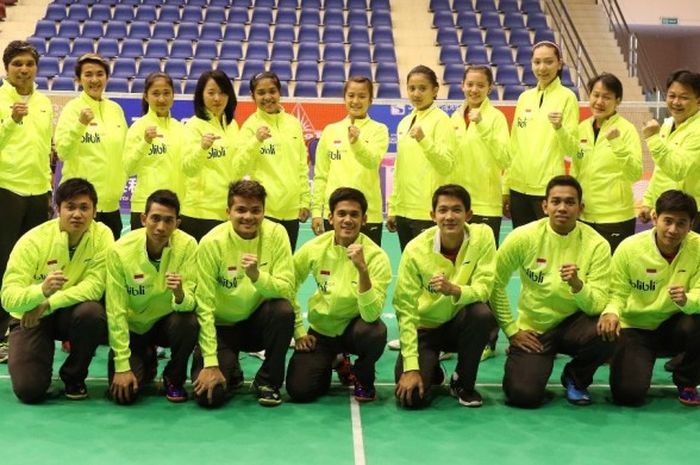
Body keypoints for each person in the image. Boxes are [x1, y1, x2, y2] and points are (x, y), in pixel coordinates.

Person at [491, 175, 613, 408]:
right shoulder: (522, 237)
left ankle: (576, 378)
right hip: (535, 330)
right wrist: (511, 329)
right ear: (545, 206)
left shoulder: (597, 245)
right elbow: (494, 283)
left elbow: (597, 303)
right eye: (556, 201)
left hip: (576, 325)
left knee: (608, 329)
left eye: (570, 202)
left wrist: (578, 286)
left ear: (581, 208)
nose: (562, 208)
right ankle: (529, 367)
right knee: (522, 395)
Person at [1, 178, 113, 403]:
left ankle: (74, 376)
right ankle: (39, 363)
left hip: (68, 312)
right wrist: (40, 292)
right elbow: (8, 298)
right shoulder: (33, 241)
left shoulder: (102, 236)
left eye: (84, 207)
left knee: (92, 313)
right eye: (70, 207)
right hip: (31, 315)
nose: (77, 214)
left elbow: (95, 286)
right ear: (56, 209)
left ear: (94, 211)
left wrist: (50, 302)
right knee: (29, 390)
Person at [191, 180, 295, 407]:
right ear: (228, 212)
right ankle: (230, 366)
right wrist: (210, 363)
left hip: (256, 324)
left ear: (264, 212)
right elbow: (204, 305)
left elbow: (287, 288)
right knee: (210, 396)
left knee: (283, 311)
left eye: (256, 210)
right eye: (241, 210)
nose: (248, 216)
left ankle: (268, 380)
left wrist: (257, 276)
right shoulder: (211, 243)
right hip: (222, 328)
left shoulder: (277, 234)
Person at [394, 184, 497, 408]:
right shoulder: (415, 250)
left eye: (457, 210)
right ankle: (430, 370)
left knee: (481, 313)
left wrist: (455, 290)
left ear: (468, 214)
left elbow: (485, 288)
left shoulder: (483, 236)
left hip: (459, 324)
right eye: (443, 210)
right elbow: (405, 308)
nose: (449, 216)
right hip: (425, 329)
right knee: (411, 399)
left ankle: (462, 382)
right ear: (433, 215)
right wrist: (411, 367)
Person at [286, 187, 391, 402]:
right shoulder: (314, 248)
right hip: (322, 331)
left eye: (354, 214)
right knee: (301, 390)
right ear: (331, 218)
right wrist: (298, 331)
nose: (347, 220)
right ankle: (335, 362)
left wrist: (363, 270)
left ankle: (362, 375)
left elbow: (371, 315)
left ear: (364, 220)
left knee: (376, 332)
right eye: (341, 214)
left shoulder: (377, 257)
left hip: (356, 329)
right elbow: (287, 286)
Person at [598, 190, 700, 406]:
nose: (673, 230)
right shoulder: (630, 248)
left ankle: (687, 379)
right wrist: (611, 312)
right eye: (668, 221)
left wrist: (686, 301)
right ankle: (636, 359)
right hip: (636, 328)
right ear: (655, 218)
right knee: (628, 395)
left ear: (691, 224)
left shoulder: (698, 248)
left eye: (681, 223)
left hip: (675, 324)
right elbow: (616, 291)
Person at [106, 189, 198, 405]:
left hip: (167, 323)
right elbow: (115, 308)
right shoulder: (120, 252)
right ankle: (145, 356)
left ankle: (174, 377)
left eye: (169, 221)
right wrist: (122, 365)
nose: (161, 227)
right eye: (155, 218)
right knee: (124, 395)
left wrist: (180, 294)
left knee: (188, 322)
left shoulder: (188, 246)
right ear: (143, 218)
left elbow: (192, 303)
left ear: (178, 223)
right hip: (134, 327)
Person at [0, 40, 53, 363]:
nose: (23, 69)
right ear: (6, 68)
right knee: (3, 263)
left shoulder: (45, 102)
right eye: (17, 63)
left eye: (29, 63)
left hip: (37, 193)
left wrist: (47, 189)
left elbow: (45, 148)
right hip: (6, 189)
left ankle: (26, 329)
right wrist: (10, 122)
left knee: (34, 266)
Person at [505, 41, 579, 229]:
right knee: (523, 247)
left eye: (548, 62)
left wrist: (560, 127)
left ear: (559, 63)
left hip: (547, 190)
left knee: (548, 246)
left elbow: (572, 148)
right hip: (518, 188)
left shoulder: (567, 98)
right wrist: (506, 187)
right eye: (537, 62)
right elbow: (513, 147)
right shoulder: (524, 98)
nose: (542, 68)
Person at [55, 52, 128, 241]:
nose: (94, 79)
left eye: (99, 74)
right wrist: (79, 125)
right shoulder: (72, 109)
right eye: (88, 74)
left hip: (111, 206)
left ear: (107, 77)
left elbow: (124, 153)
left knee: (109, 266)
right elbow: (62, 151)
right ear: (79, 79)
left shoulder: (116, 110)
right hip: (80, 206)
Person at [236, 71, 310, 250]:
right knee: (261, 267)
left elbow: (301, 165)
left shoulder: (293, 124)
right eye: (261, 93)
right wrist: (256, 140)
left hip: (292, 210)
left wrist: (304, 201)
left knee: (285, 266)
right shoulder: (249, 126)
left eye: (272, 91)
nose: (267, 97)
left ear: (279, 93)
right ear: (253, 96)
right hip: (264, 210)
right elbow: (239, 167)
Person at [311, 76, 389, 246]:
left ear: (370, 99)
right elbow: (321, 175)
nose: (356, 101)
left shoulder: (379, 130)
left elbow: (372, 161)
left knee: (367, 269)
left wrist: (357, 143)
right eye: (351, 95)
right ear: (344, 97)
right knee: (334, 270)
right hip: (335, 215)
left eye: (362, 96)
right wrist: (317, 211)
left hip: (368, 215)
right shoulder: (330, 131)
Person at [387, 64, 456, 252]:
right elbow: (400, 169)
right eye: (411, 88)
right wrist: (394, 208)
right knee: (410, 271)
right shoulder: (404, 122)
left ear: (435, 90)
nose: (416, 93)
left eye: (422, 88)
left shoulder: (441, 121)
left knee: (430, 272)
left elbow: (446, 165)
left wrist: (424, 140)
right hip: (403, 211)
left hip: (427, 212)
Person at [571, 73, 642, 252]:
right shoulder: (582, 128)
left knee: (613, 275)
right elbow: (576, 170)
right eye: (596, 95)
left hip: (615, 218)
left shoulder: (626, 130)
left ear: (617, 101)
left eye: (607, 97)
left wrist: (617, 143)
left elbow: (635, 173)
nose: (599, 101)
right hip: (585, 216)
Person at [450, 64, 510, 246]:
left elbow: (505, 158)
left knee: (485, 264)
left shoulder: (496, 117)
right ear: (462, 85)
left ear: (489, 88)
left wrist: (482, 125)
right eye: (470, 84)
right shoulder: (455, 117)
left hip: (486, 204)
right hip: (459, 204)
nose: (474, 90)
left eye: (480, 85)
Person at [180, 70, 239, 242]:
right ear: (201, 95)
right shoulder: (193, 126)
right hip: (199, 213)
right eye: (211, 93)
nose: (217, 98)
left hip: (226, 212)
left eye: (222, 92)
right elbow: (188, 168)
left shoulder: (232, 125)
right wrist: (202, 148)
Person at [124, 72, 185, 231]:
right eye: (155, 94)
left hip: (174, 207)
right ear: (146, 96)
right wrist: (145, 142)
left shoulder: (180, 128)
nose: (161, 99)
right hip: (145, 207)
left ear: (173, 95)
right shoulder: (138, 127)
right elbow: (128, 168)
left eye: (166, 93)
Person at [641, 70, 700, 233]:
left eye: (684, 97)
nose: (676, 102)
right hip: (668, 208)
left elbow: (677, 170)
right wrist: (648, 201)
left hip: (693, 213)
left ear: (698, 100)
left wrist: (652, 139)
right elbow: (661, 169)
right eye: (671, 95)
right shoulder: (667, 124)